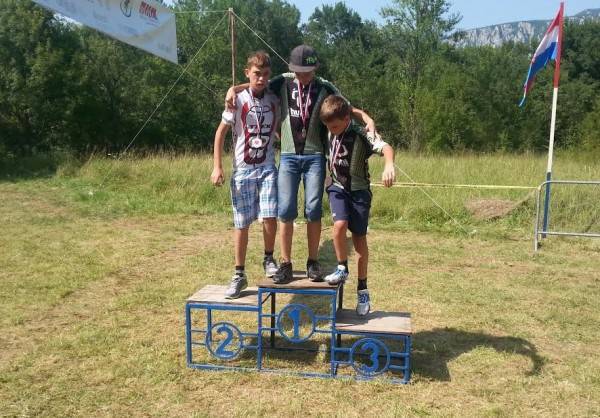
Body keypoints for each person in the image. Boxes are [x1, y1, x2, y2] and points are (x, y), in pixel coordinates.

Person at [226, 44, 375, 284]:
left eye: (307, 72)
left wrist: (366, 117)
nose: (303, 77)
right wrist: (233, 89)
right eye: (298, 72)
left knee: (313, 208)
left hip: (315, 157)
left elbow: (346, 107)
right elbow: (257, 82)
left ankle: (312, 262)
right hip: (288, 156)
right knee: (285, 209)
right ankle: (285, 263)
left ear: (315, 69)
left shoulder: (325, 87)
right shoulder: (283, 82)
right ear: (291, 68)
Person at [211, 51, 280, 298]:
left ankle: (269, 258)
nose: (261, 79)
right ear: (247, 73)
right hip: (243, 169)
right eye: (256, 74)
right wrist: (217, 166)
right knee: (242, 223)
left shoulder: (274, 99)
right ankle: (239, 273)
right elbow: (220, 133)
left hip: (267, 167)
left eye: (265, 74)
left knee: (270, 215)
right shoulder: (237, 100)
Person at [319, 95, 395, 316]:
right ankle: (342, 267)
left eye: (335, 127)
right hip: (337, 187)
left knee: (360, 242)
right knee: (339, 226)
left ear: (346, 119)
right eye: (328, 127)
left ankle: (363, 290)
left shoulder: (362, 134)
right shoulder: (330, 126)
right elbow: (347, 109)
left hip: (360, 192)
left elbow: (386, 148)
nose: (331, 130)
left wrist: (389, 165)